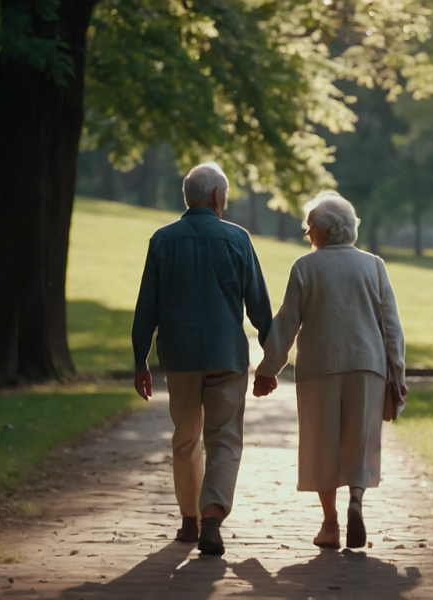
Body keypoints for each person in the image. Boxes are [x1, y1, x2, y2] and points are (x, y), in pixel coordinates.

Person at [131, 162, 273, 556]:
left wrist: (140, 361)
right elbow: (259, 305)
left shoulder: (162, 240)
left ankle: (189, 520)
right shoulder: (237, 238)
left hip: (179, 357)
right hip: (227, 355)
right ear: (216, 197)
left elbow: (147, 307)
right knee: (224, 440)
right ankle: (212, 515)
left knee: (186, 438)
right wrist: (270, 360)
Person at [252, 192, 407, 550]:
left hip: (319, 367)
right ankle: (356, 499)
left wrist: (267, 370)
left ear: (325, 230)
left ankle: (330, 523)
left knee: (321, 444)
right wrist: (397, 375)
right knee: (360, 439)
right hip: (368, 366)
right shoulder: (374, 266)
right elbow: (392, 327)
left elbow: (287, 322)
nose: (307, 234)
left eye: (310, 227)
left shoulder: (306, 267)